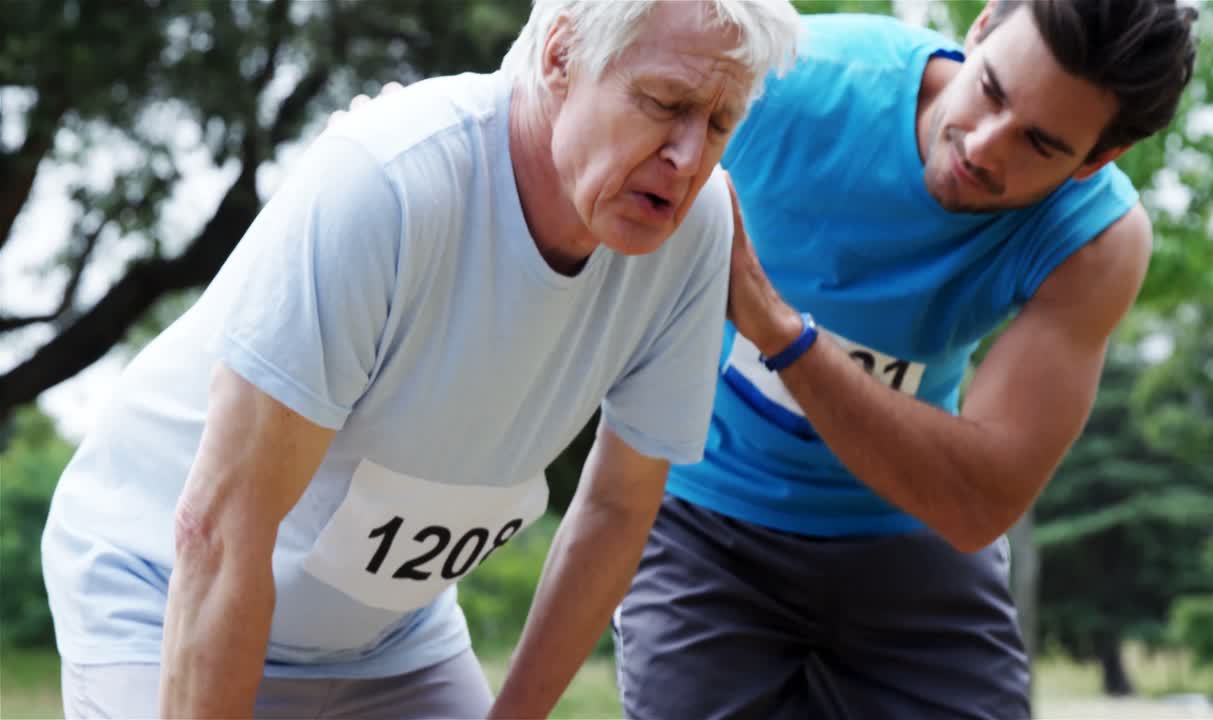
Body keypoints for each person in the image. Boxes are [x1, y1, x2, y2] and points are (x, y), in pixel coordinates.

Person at [40, 1, 801, 718]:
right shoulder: (389, 182)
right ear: (562, 53)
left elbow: (617, 507)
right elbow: (220, 528)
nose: (688, 155)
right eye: (665, 103)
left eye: (721, 120)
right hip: (161, 585)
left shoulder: (697, 229)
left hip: (392, 641)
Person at [611, 1, 1200, 719]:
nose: (985, 147)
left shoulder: (1096, 240)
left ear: (1098, 160)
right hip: (702, 515)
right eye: (991, 90)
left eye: (1039, 144)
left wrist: (781, 333)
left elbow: (979, 500)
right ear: (979, 29)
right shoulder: (784, 78)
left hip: (910, 535)